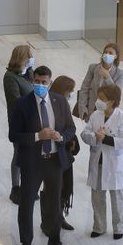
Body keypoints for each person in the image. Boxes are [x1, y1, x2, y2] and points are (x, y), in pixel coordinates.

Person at [11, 66, 76, 245]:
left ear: (50, 82)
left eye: (44, 82)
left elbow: (71, 128)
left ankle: (54, 240)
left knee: (55, 202)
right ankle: (26, 243)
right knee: (27, 203)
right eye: (37, 82)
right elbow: (13, 135)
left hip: (54, 160)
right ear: (33, 81)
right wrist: (37, 136)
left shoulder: (60, 101)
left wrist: (61, 136)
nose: (40, 85)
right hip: (33, 162)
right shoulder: (23, 104)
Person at [81, 83, 123, 240]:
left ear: (112, 101)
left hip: (114, 164)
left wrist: (106, 138)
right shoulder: (96, 115)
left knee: (116, 198)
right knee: (97, 196)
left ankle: (119, 228)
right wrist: (94, 136)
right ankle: (99, 226)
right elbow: (84, 134)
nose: (98, 101)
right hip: (98, 162)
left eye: (102, 98)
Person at [3, 44, 36, 205]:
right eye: (29, 56)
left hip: (32, 122)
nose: (31, 59)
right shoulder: (10, 77)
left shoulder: (27, 74)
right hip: (19, 122)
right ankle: (15, 188)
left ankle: (27, 186)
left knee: (30, 155)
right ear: (22, 57)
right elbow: (15, 101)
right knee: (18, 154)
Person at [51, 76, 80, 231]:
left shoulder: (65, 106)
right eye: (70, 91)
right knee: (54, 190)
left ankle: (60, 217)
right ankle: (50, 221)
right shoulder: (52, 106)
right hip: (55, 154)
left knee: (65, 188)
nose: (71, 94)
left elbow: (71, 128)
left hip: (66, 154)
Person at [77, 43, 123, 118]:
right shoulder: (93, 68)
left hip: (107, 110)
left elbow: (117, 94)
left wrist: (108, 77)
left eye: (110, 53)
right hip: (92, 109)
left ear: (116, 56)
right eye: (105, 52)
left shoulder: (120, 74)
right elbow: (84, 89)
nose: (107, 54)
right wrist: (82, 108)